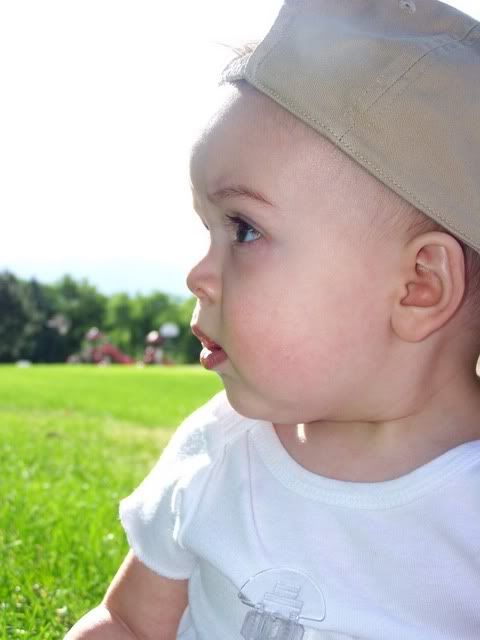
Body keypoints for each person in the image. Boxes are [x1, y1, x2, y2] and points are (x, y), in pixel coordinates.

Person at [65, 0, 480, 638]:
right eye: (208, 230)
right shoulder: (222, 450)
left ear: (418, 285)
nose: (198, 275)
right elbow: (128, 623)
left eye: (244, 229)